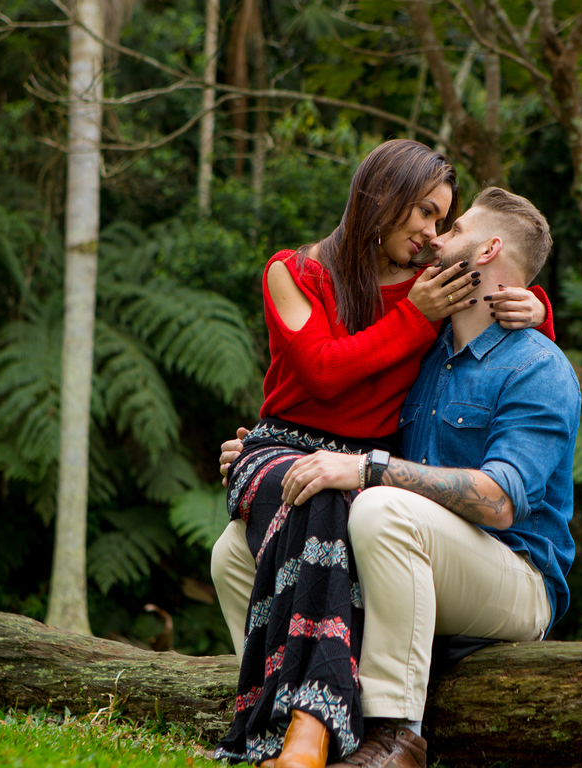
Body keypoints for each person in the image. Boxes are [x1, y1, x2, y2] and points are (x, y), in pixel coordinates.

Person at [211, 141, 555, 768]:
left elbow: (510, 353)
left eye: (443, 220)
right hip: (288, 446)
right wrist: (415, 318)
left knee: (329, 506)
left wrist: (538, 307)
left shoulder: (433, 288)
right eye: (424, 213)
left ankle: (310, 734)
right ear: (382, 198)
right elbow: (322, 373)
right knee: (265, 530)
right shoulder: (298, 272)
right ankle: (285, 725)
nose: (431, 234)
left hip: (364, 473)